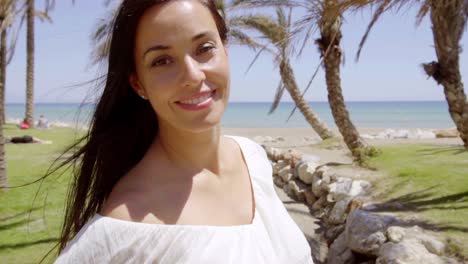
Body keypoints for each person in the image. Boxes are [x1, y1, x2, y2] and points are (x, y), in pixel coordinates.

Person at [53, 1, 314, 263]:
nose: (192, 75)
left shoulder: (252, 157)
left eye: (204, 48)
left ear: (225, 49)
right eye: (162, 61)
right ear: (138, 83)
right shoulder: (126, 224)